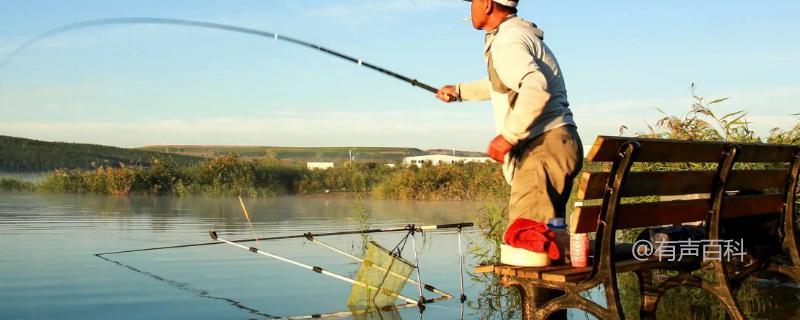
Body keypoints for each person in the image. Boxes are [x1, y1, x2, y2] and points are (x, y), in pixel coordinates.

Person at [436, 0, 582, 225]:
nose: (470, 8)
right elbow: (506, 83)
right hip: (557, 144)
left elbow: (535, 86)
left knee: (527, 244)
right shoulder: (516, 34)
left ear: (486, 4)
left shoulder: (507, 40)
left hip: (541, 147)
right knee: (546, 239)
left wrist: (509, 136)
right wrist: (459, 91)